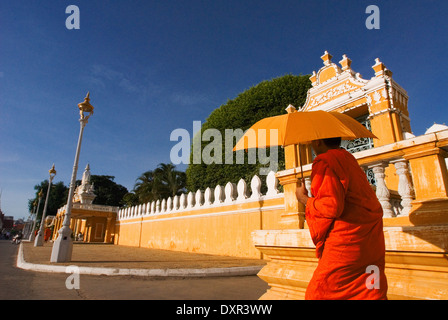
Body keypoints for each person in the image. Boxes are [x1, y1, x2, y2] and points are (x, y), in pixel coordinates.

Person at [296, 137, 388, 300]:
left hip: (347, 243)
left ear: (317, 142)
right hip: (371, 240)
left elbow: (330, 207)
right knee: (370, 290)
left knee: (320, 293)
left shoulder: (325, 162)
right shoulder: (348, 159)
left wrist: (304, 199)